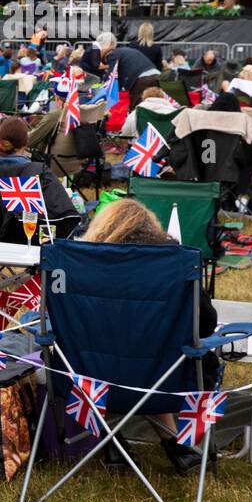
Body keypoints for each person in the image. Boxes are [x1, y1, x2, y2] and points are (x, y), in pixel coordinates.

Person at [82, 199, 219, 475]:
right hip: (166, 376)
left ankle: (111, 442)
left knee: (123, 355)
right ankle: (174, 444)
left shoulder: (81, 263)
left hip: (89, 378)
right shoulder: (177, 262)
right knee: (154, 357)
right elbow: (206, 325)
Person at [95, 32, 160, 101]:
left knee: (136, 107)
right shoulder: (124, 52)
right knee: (154, 104)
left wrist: (99, 91)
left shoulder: (112, 55)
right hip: (156, 75)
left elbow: (111, 78)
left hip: (142, 79)